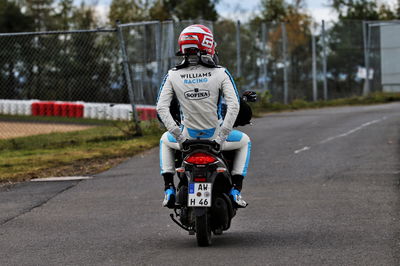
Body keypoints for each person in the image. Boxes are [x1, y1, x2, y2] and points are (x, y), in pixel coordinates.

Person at [156, 24, 251, 208]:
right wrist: (221, 137)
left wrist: (179, 136)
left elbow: (161, 108)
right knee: (245, 141)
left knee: (163, 140)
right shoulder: (220, 72)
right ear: (207, 44)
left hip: (187, 139)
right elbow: (234, 105)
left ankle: (169, 189)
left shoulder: (173, 75)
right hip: (216, 139)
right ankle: (236, 191)